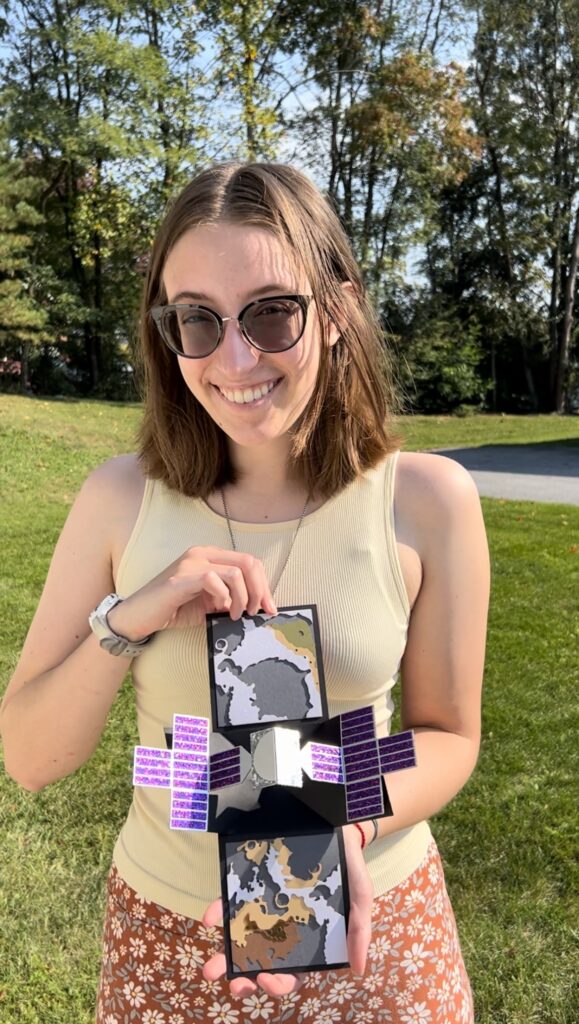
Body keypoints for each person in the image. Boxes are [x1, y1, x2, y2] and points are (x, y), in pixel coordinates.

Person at [0, 162, 490, 1024]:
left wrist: (343, 819)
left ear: (336, 310)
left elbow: (447, 734)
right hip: (169, 934)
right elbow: (33, 760)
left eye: (271, 312)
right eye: (198, 319)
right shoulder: (120, 500)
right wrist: (130, 618)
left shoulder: (428, 501)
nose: (234, 358)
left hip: (379, 925)